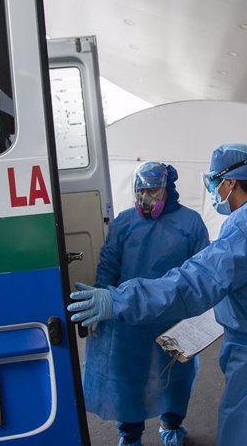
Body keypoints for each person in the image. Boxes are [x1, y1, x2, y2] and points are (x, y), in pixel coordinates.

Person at [69, 143, 247, 446]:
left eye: (213, 181)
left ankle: (171, 424)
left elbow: (192, 281)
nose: (212, 189)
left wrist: (118, 299)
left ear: (230, 182)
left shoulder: (245, 226)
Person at [82, 162, 209, 446]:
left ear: (168, 189)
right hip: (130, 320)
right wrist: (101, 300)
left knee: (175, 375)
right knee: (128, 378)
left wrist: (198, 318)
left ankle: (172, 424)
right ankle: (130, 434)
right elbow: (108, 266)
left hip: (174, 317)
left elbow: (203, 272)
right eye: (140, 191)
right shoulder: (124, 223)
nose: (145, 198)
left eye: (152, 190)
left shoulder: (190, 224)